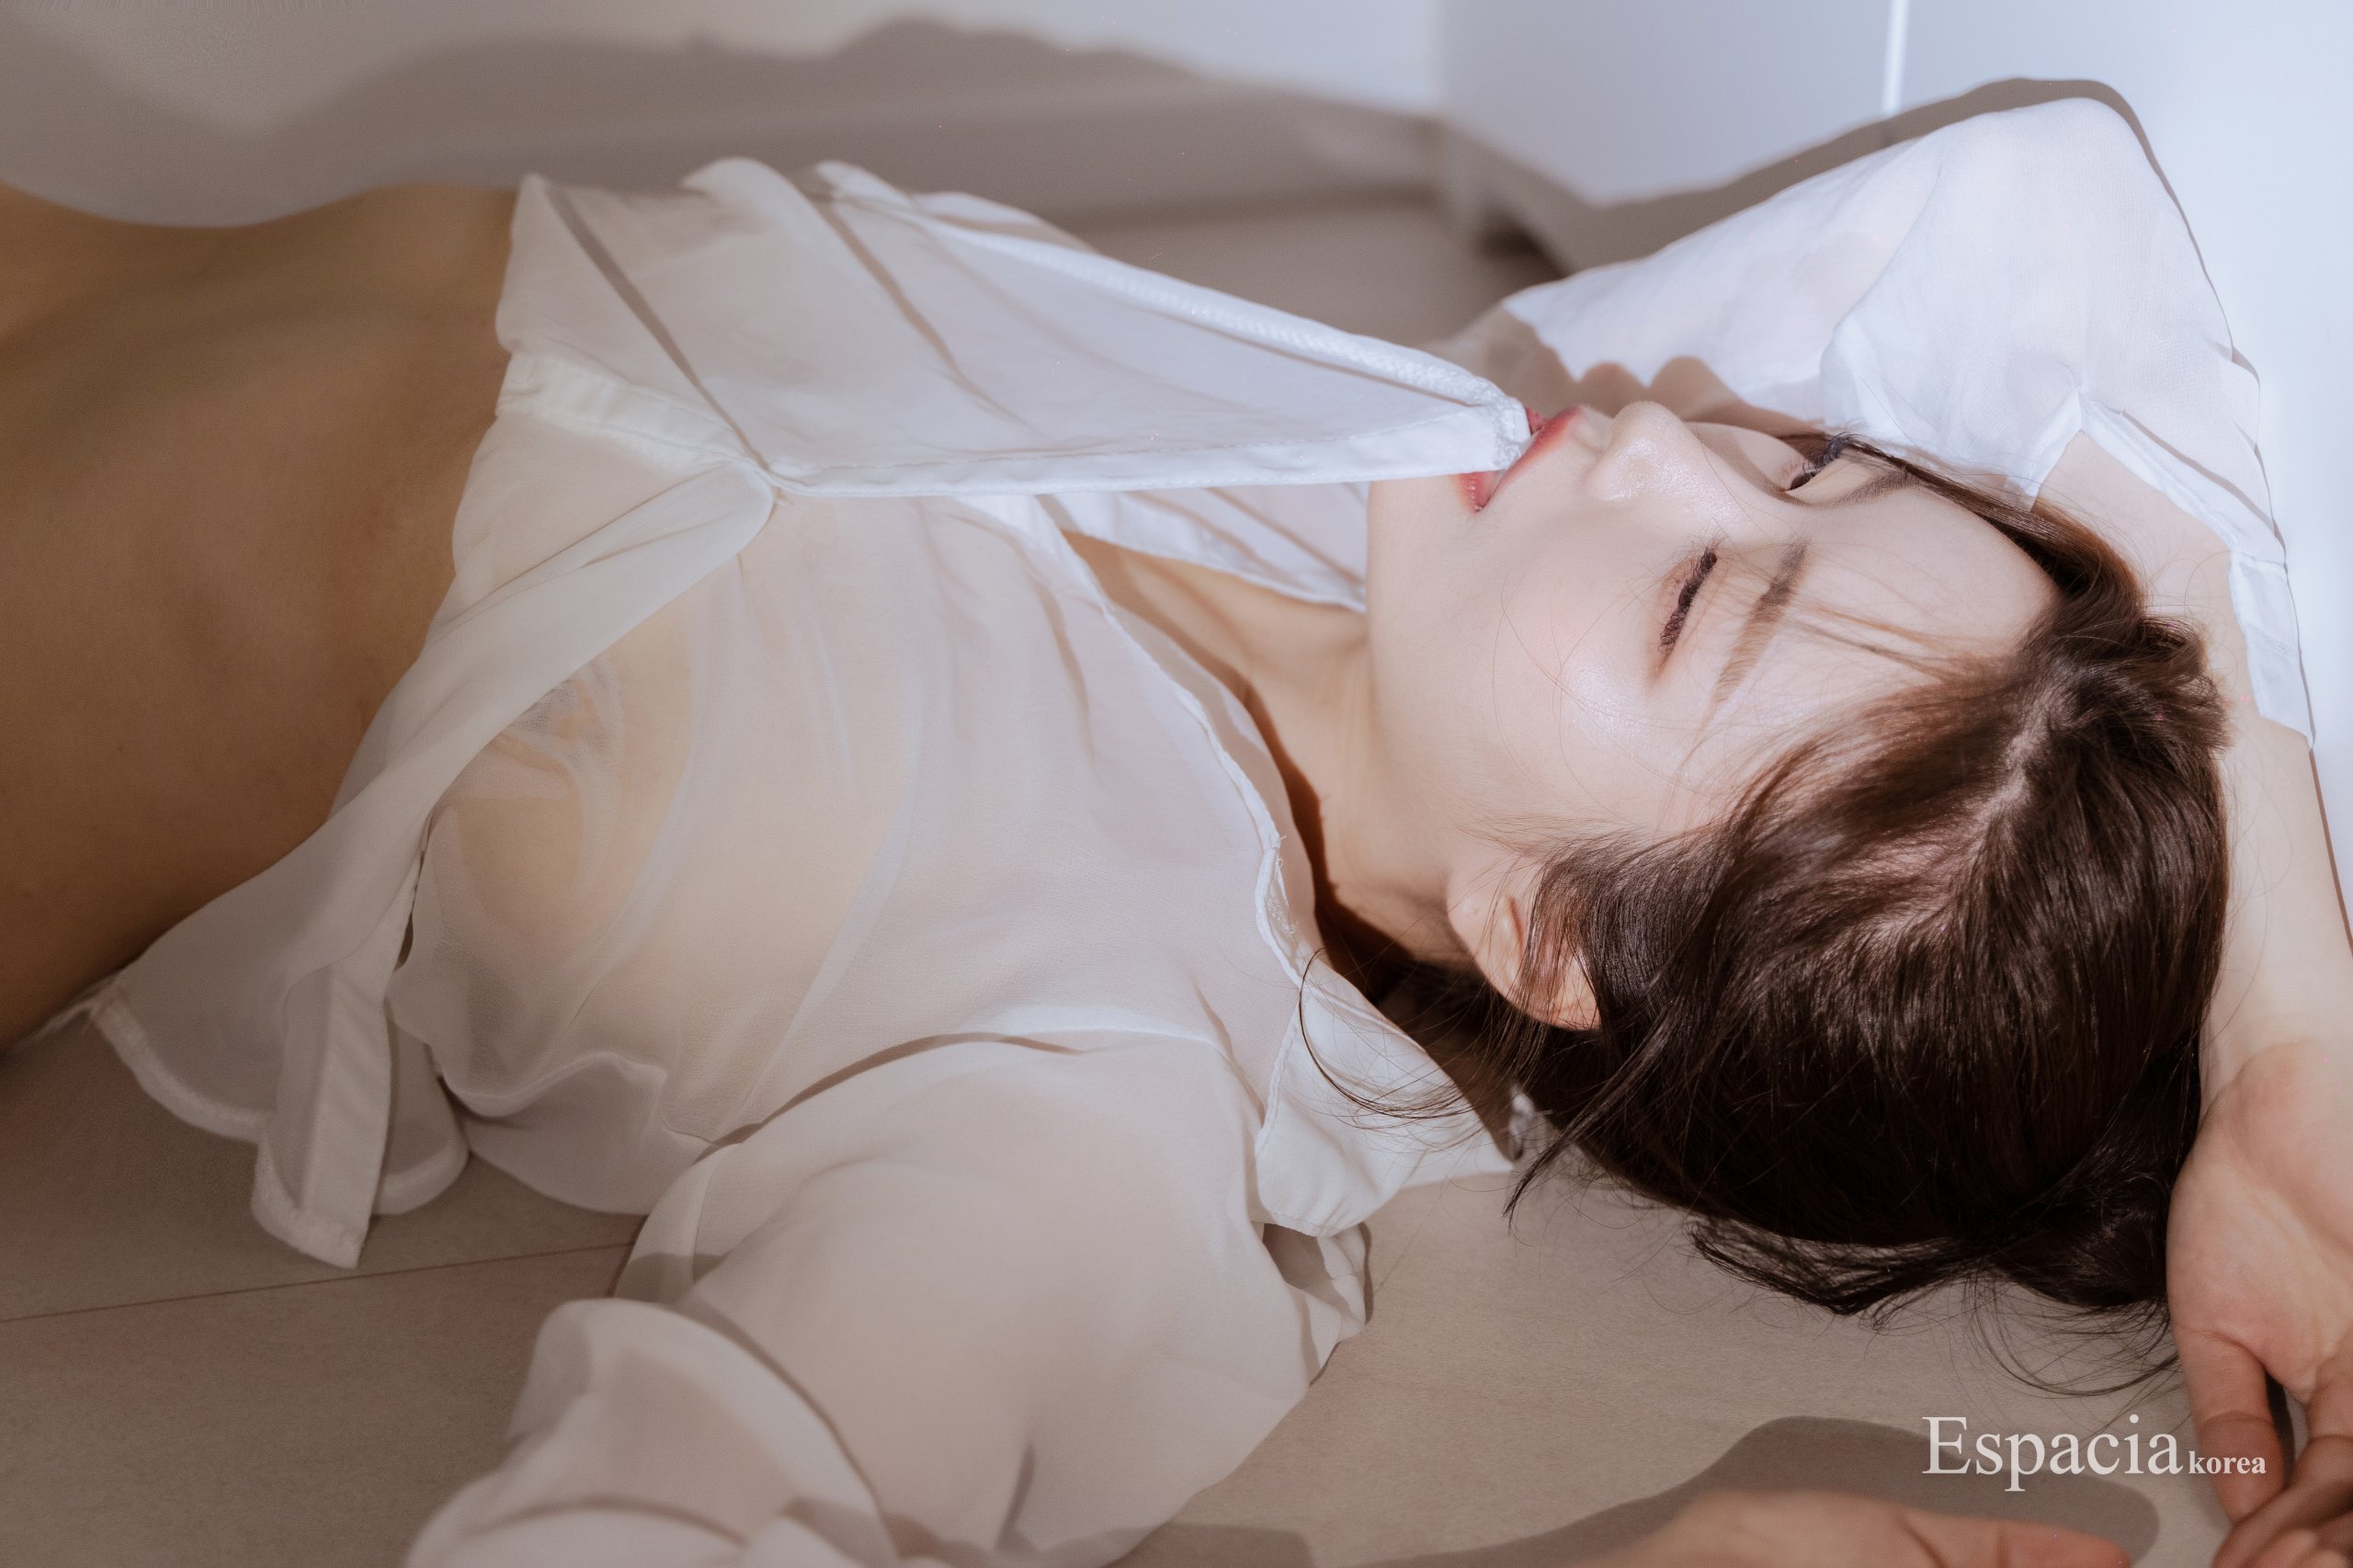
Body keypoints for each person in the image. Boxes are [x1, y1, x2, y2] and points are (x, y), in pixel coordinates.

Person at [2, 134, 2349, 1568]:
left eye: (1694, 600)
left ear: (1550, 938)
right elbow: (2046, 224)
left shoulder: (1101, 1087)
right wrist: (2284, 1048)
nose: (1663, 438)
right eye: (1811, 465)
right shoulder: (1379, 468)